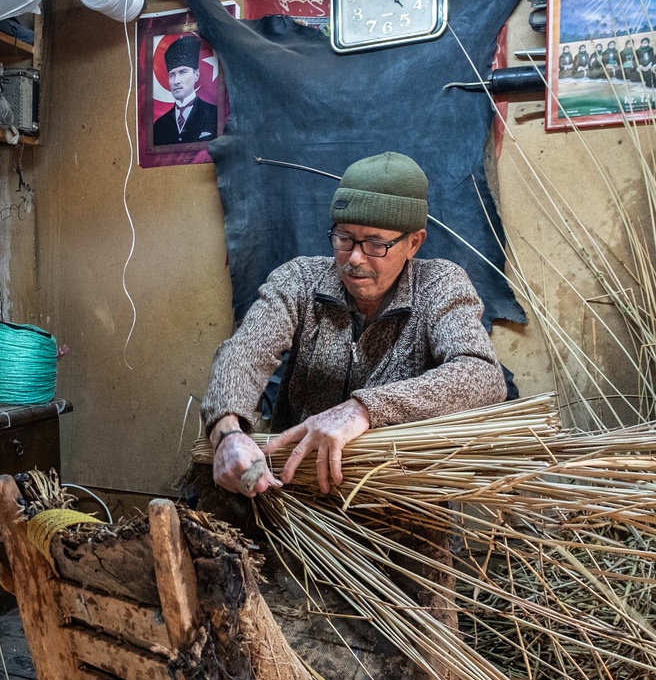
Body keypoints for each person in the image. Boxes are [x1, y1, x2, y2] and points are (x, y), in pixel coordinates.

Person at [201, 152, 507, 497]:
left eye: (376, 244)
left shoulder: (440, 285)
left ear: (414, 242)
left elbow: (482, 376)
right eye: (344, 238)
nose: (355, 258)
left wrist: (362, 409)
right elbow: (245, 354)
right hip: (296, 496)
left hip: (401, 504)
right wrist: (227, 432)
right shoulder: (301, 279)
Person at [152, 33, 218, 145]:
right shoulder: (159, 125)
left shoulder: (214, 114)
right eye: (172, 74)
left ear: (196, 75)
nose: (176, 81)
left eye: (183, 72)